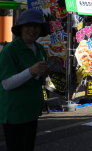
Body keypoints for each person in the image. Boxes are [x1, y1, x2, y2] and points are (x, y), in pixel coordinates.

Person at [0, 9, 50, 151]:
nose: (32, 30)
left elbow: (36, 78)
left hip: (31, 110)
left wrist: (43, 73)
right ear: (20, 28)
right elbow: (7, 84)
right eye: (28, 25)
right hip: (14, 112)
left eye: (36, 26)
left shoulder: (39, 48)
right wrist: (31, 71)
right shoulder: (10, 50)